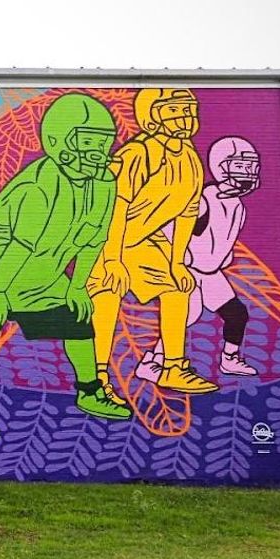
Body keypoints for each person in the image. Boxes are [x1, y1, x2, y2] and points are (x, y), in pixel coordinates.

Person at [0, 93, 132, 424]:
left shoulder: (105, 183)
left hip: (41, 261)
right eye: (86, 140)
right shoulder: (40, 185)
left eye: (102, 141)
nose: (96, 150)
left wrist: (77, 285)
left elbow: (93, 239)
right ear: (58, 140)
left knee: (75, 316)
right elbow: (21, 245)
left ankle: (90, 390)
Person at [86, 88, 217, 394]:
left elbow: (186, 215)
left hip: (144, 240)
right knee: (106, 296)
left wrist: (177, 262)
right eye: (173, 111)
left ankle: (172, 368)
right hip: (104, 236)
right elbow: (116, 205)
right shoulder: (138, 153)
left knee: (177, 287)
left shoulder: (190, 159)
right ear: (152, 116)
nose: (183, 118)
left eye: (187, 110)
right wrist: (113, 260)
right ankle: (97, 379)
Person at [137, 135, 261, 381]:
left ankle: (229, 359)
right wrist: (179, 259)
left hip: (211, 272)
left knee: (236, 313)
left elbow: (224, 240)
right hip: (190, 270)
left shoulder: (237, 205)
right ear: (220, 166)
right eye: (240, 165)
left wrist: (221, 260)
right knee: (185, 317)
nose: (247, 172)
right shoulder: (204, 200)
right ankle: (152, 362)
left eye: (250, 166)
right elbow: (170, 228)